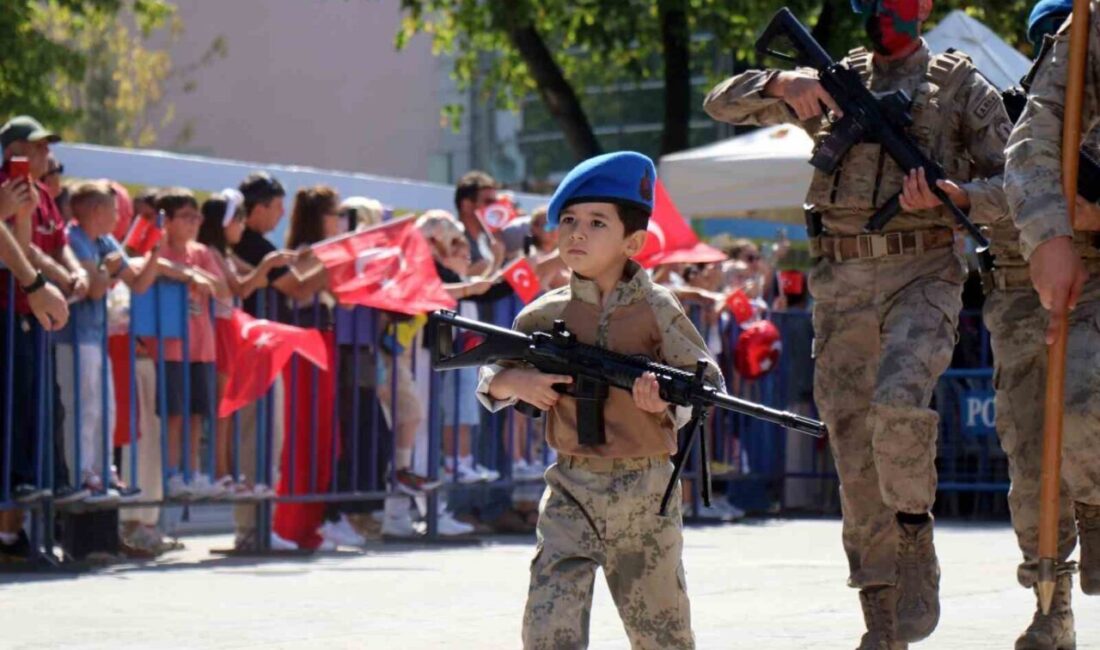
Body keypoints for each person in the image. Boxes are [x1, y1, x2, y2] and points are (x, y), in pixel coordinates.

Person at [703, 1, 1012, 646]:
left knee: (899, 405)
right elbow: (719, 105)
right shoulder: (830, 77)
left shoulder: (960, 87)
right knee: (850, 442)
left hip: (921, 271)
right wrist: (778, 84)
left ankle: (913, 532)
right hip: (840, 281)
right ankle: (880, 621)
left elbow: (1019, 184)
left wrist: (959, 196)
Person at [478, 151, 721, 649]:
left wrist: (666, 404)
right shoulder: (548, 312)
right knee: (548, 624)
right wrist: (516, 384)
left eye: (595, 222)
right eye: (568, 220)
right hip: (571, 484)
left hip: (645, 491)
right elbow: (492, 369)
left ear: (633, 242)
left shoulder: (657, 309)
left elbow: (704, 381)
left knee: (661, 632)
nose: (576, 233)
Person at [1003, 1, 1100, 646]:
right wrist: (1051, 232)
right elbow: (1031, 146)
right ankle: (1051, 606)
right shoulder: (1089, 26)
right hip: (1055, 281)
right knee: (1047, 435)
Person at [0, 115, 89, 512]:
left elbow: (51, 242)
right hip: (9, 305)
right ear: (13, 151)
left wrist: (74, 273)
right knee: (15, 398)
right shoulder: (9, 185)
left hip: (32, 309)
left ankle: (47, 479)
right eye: (37, 147)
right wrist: (46, 281)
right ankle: (19, 480)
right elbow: (24, 251)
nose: (45, 154)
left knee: (44, 398)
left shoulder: (42, 193)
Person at [57, 181, 159, 503]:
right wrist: (107, 268)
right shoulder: (73, 238)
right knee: (82, 408)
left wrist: (157, 249)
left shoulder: (106, 240)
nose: (118, 217)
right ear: (95, 211)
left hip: (96, 338)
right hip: (72, 338)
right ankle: (83, 474)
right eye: (113, 210)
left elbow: (138, 283)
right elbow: (96, 288)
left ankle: (103, 470)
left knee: (105, 408)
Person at [197, 189, 294, 491]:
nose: (241, 225)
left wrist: (264, 270)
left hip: (227, 329)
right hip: (220, 329)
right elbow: (240, 288)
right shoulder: (212, 253)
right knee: (222, 406)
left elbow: (248, 283)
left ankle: (225, 470)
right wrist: (266, 265)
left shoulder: (224, 254)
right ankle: (220, 471)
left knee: (227, 406)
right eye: (237, 219)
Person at [149, 188, 231, 500]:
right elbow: (150, 267)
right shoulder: (157, 249)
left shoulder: (201, 253)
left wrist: (194, 273)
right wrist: (187, 276)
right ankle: (171, 473)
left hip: (201, 345)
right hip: (170, 346)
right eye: (185, 217)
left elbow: (221, 288)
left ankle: (192, 471)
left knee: (197, 413)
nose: (193, 223)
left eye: (196, 217)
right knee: (174, 413)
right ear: (166, 220)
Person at [453, 170, 504, 277]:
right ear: (466, 205)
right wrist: (494, 263)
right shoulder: (453, 241)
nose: (494, 209)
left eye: (496, 203)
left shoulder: (486, 239)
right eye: (488, 202)